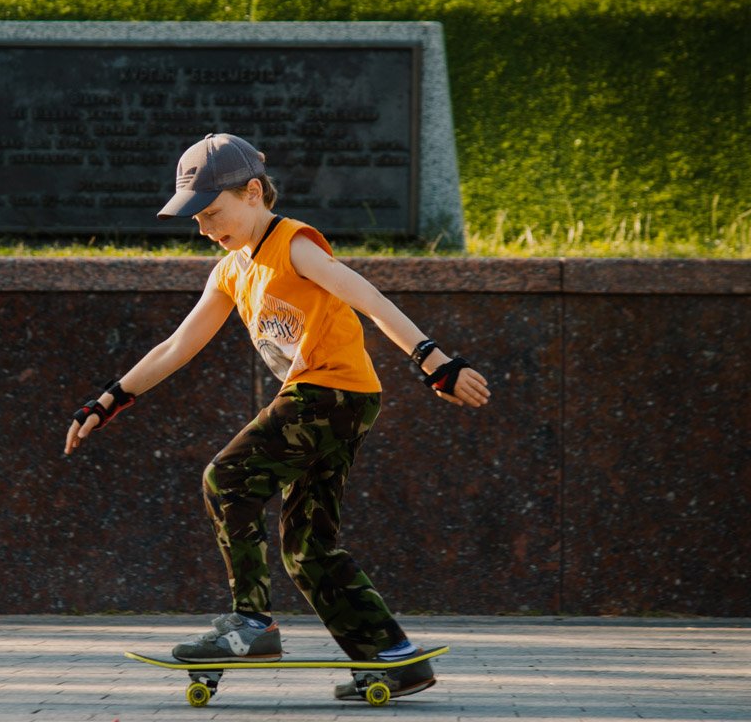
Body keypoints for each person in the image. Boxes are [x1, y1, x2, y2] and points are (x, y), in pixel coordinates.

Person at [64, 132, 489, 700]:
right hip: (343, 400)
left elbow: (366, 295)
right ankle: (394, 657)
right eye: (196, 219)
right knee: (307, 546)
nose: (206, 229)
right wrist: (110, 399)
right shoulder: (232, 270)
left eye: (214, 213)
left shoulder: (292, 243)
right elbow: (176, 346)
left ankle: (251, 623)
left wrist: (434, 361)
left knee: (228, 476)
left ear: (255, 194)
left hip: (329, 393)